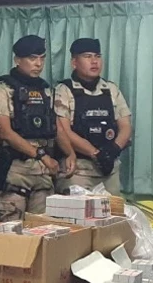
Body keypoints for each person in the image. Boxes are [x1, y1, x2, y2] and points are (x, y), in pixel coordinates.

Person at [0, 35, 76, 220]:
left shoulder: (45, 89)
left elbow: (56, 127)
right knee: (11, 229)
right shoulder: (3, 88)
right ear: (17, 60)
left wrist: (70, 153)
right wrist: (41, 155)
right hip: (15, 169)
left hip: (43, 172)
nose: (38, 64)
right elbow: (5, 132)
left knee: (43, 228)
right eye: (32, 58)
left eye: (42, 58)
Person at [54, 38, 132, 195]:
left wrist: (114, 149)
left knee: (113, 210)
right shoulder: (64, 90)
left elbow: (126, 126)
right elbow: (64, 130)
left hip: (109, 170)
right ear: (74, 62)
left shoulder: (110, 89)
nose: (94, 61)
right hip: (79, 169)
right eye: (87, 56)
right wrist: (96, 153)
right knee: (77, 210)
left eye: (97, 56)